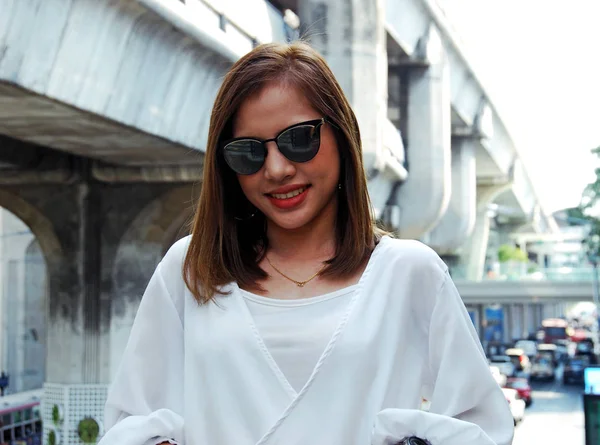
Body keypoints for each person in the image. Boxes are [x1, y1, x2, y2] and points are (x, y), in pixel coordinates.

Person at [99, 42, 514, 445]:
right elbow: (131, 420)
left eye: (299, 139)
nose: (277, 169)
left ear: (342, 135)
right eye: (248, 153)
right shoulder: (192, 268)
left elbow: (484, 428)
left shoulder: (410, 272)